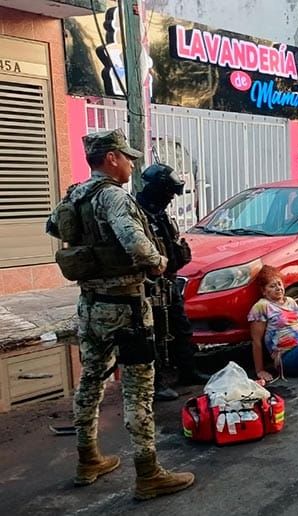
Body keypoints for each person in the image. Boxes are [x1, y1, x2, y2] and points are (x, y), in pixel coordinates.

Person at [46, 129, 193, 500]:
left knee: (91, 380)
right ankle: (148, 473)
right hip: (126, 306)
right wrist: (160, 262)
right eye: (127, 157)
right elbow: (137, 246)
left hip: (90, 304)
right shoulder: (113, 196)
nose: (131, 164)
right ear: (111, 158)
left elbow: (53, 226)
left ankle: (88, 459)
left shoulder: (76, 193)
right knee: (138, 389)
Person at [136, 163, 209, 401]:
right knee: (154, 334)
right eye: (168, 192)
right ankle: (155, 384)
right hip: (149, 285)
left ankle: (188, 371)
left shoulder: (160, 213)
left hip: (169, 281)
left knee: (181, 327)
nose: (171, 198)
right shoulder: (137, 213)